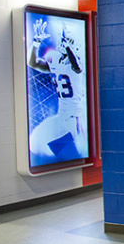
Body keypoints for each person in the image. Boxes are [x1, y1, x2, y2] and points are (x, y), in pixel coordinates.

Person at [27, 18, 87, 163]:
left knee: (72, 155)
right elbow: (33, 63)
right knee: (42, 142)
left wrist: (68, 49)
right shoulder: (56, 59)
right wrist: (36, 43)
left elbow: (77, 67)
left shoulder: (78, 61)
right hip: (64, 115)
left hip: (75, 116)